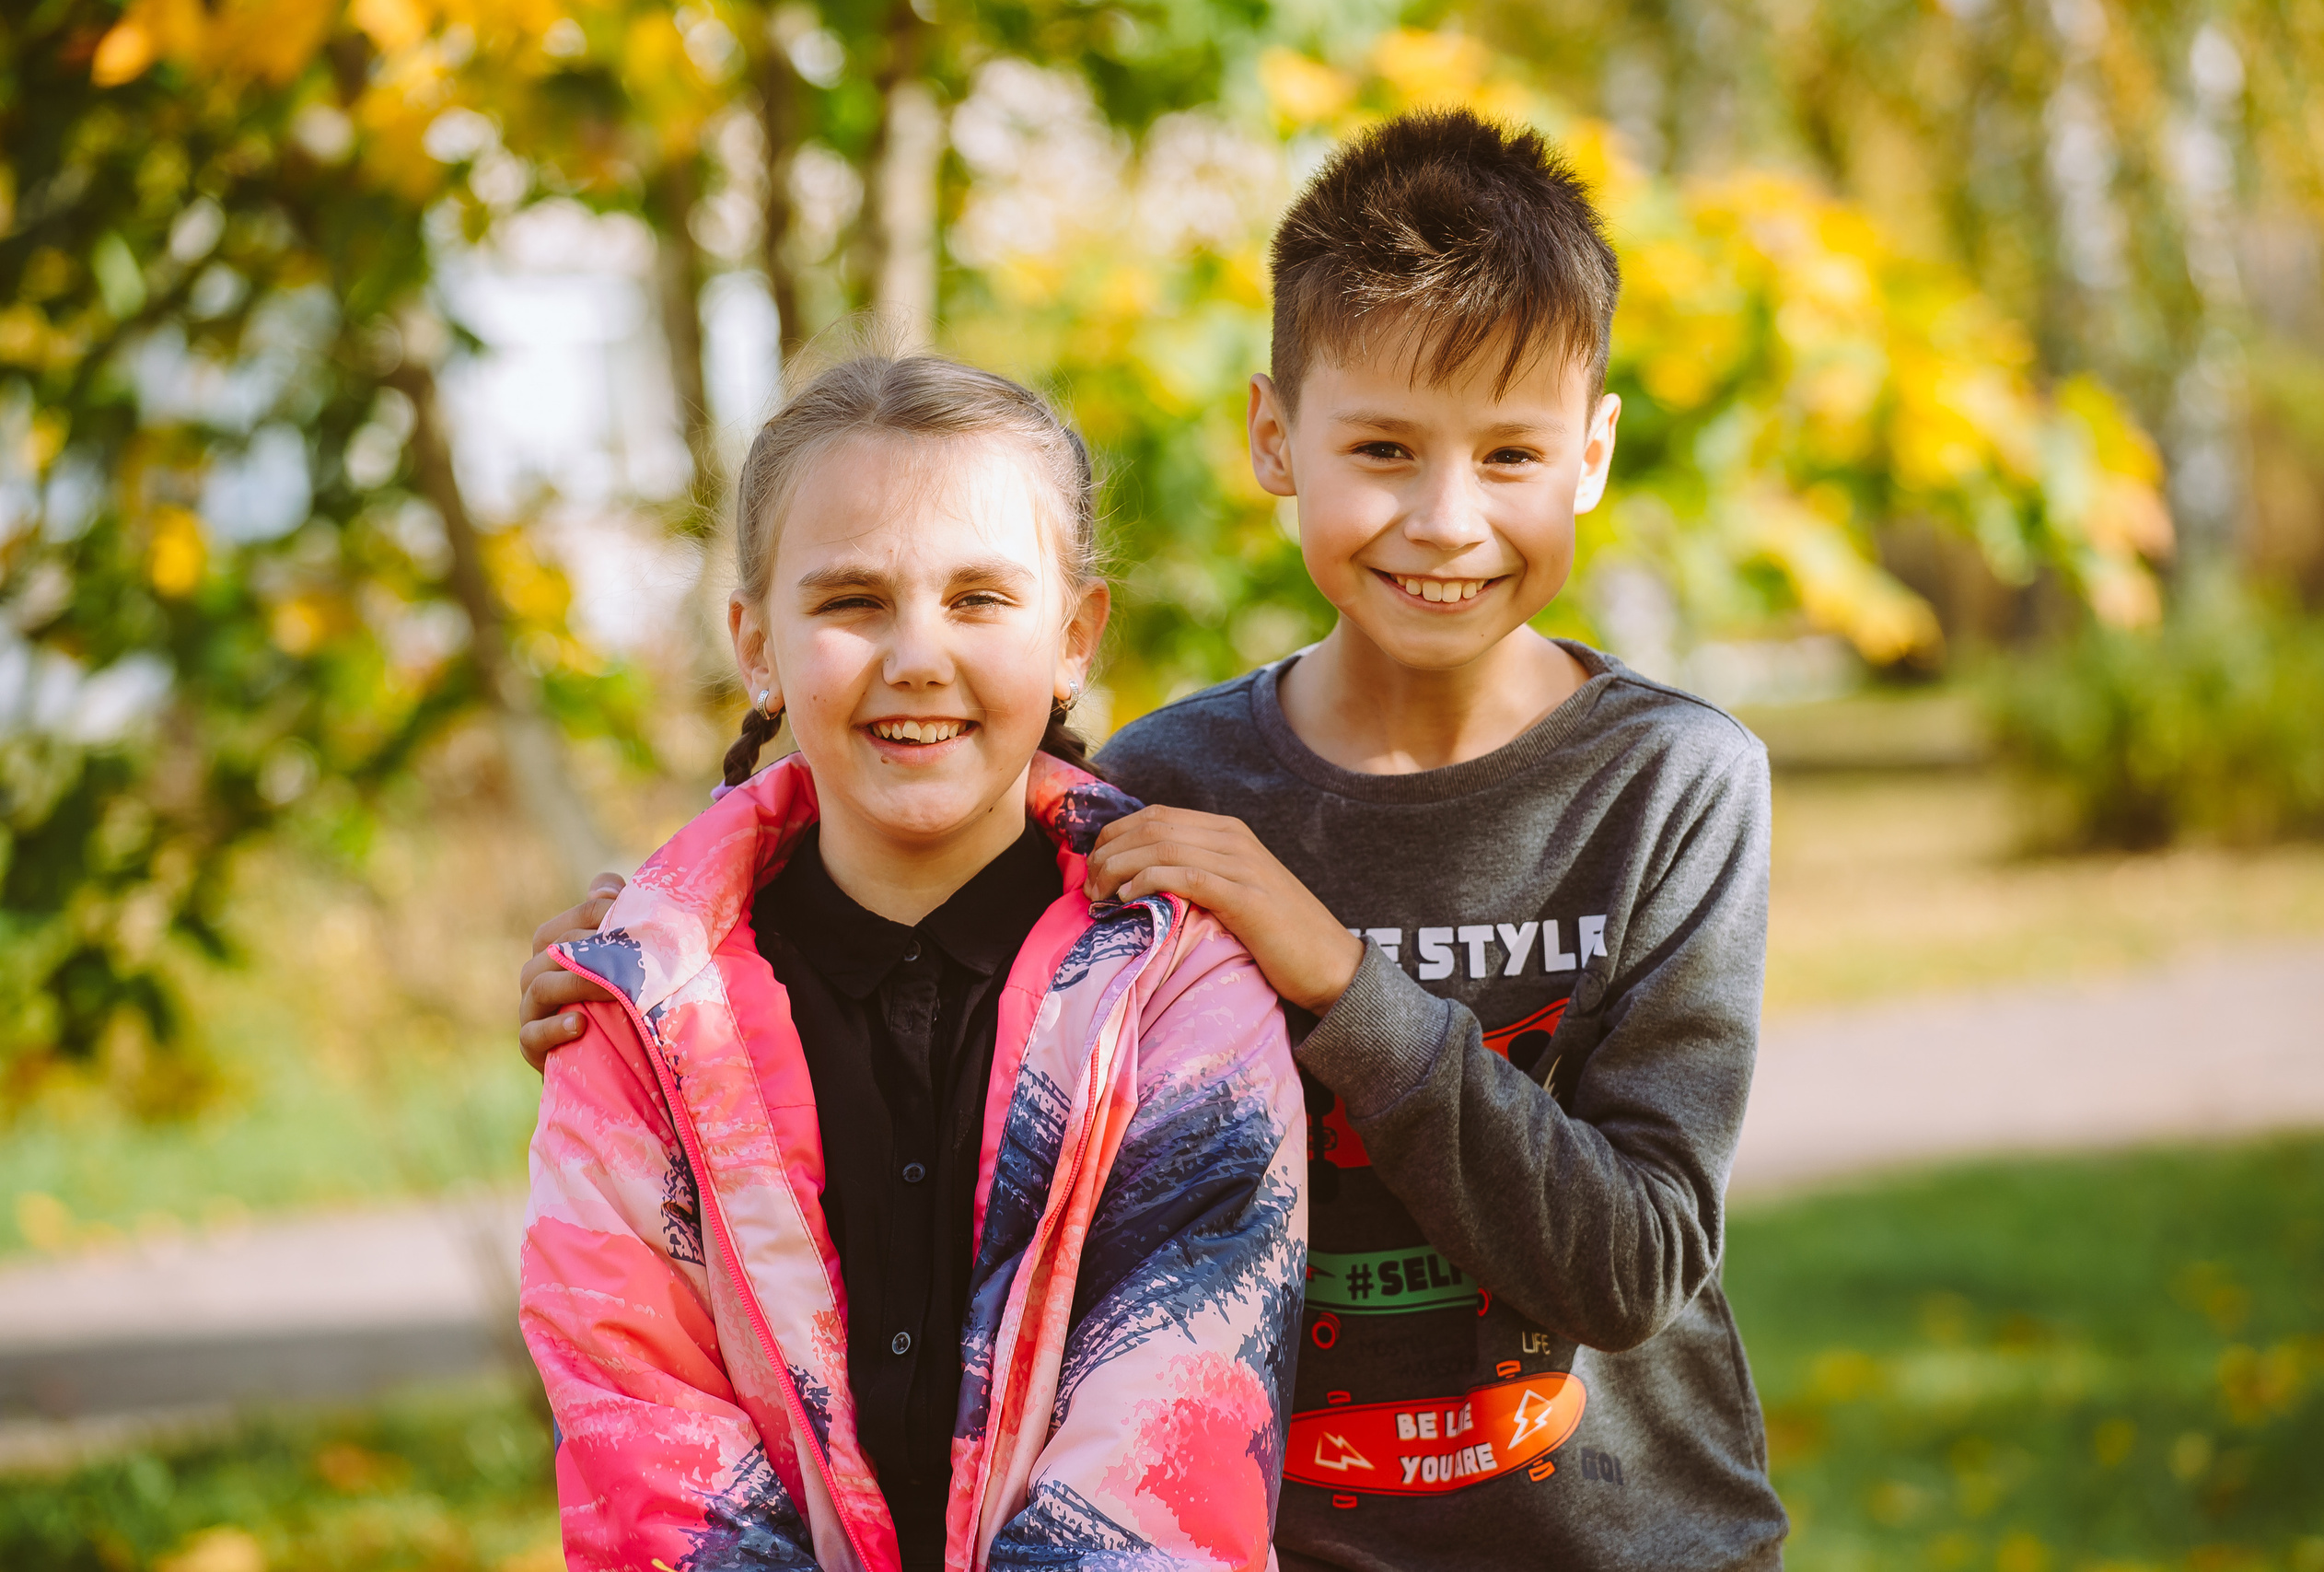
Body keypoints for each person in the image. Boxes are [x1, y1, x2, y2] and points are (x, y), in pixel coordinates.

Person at [526, 110, 1785, 1570]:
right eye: (1383, 447)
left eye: (1512, 453)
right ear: (1274, 437)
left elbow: (1633, 1262)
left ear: (1595, 453)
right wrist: (651, 978)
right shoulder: (1169, 786)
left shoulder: (1675, 783)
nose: (1449, 520)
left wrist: (1334, 978)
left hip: (1633, 1548)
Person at [517, 346, 1306, 1572]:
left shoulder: (1182, 992)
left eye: (981, 599)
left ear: (1075, 637)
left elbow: (1172, 1441)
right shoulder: (639, 1018)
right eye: (850, 601)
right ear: (756, 643)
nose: (918, 656)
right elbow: (644, 1442)